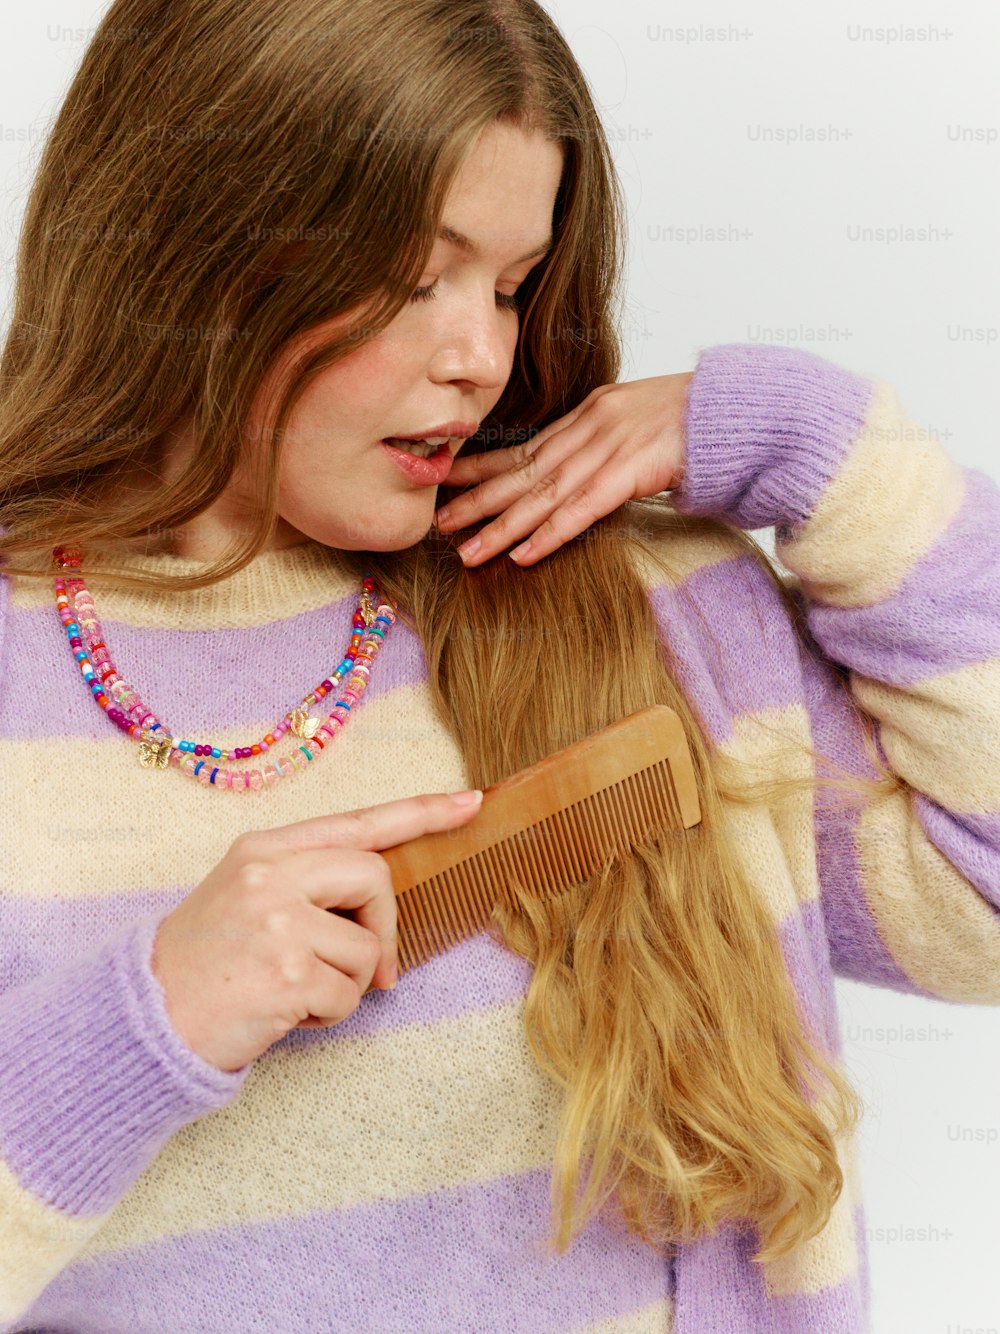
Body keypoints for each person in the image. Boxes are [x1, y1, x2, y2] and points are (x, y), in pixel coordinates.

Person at [0, 2, 997, 1331]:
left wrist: (825, 451)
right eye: (417, 274)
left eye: (513, 286)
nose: (481, 357)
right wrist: (144, 1024)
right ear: (195, 240)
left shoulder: (657, 613)